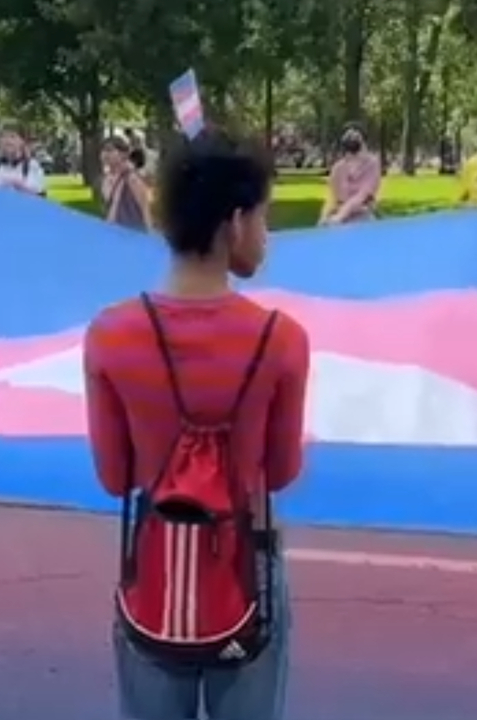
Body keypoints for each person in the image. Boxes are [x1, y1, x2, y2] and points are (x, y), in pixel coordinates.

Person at [83, 128, 309, 720]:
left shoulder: (109, 334)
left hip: (155, 571)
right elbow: (281, 471)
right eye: (265, 217)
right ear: (234, 222)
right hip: (246, 574)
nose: (266, 234)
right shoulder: (282, 339)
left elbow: (114, 476)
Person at [319, 122, 380, 225]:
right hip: (338, 218)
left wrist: (340, 216)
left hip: (362, 218)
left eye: (355, 135)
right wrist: (323, 218)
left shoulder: (372, 164)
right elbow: (331, 197)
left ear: (363, 140)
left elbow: (362, 195)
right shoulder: (338, 168)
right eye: (348, 136)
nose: (352, 138)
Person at [101, 136, 152, 232]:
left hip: (131, 233)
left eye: (110, 150)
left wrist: (150, 237)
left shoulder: (132, 178)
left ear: (123, 154)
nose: (105, 154)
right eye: (103, 150)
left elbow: (145, 209)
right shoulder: (106, 179)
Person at [0, 128, 46, 196]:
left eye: (12, 136)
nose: (8, 141)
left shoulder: (32, 166)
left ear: (22, 141)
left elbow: (37, 193)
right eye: (4, 137)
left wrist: (18, 183)